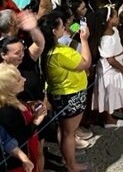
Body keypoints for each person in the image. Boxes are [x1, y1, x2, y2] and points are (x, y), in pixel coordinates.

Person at [40, 12, 91, 172]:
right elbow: (86, 63)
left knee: (64, 130)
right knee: (69, 132)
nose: (65, 28)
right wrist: (84, 40)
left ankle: (67, 158)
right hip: (70, 94)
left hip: (62, 93)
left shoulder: (51, 48)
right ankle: (71, 165)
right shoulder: (60, 52)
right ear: (54, 31)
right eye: (62, 26)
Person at [88, 5, 123, 128]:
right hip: (110, 72)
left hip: (119, 66)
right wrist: (122, 68)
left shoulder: (115, 31)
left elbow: (120, 47)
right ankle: (109, 119)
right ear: (109, 20)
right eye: (115, 16)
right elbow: (110, 59)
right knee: (110, 93)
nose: (118, 18)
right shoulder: (105, 39)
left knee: (122, 91)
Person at [0, 65, 42, 172]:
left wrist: (31, 105)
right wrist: (36, 121)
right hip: (17, 161)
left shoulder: (12, 97)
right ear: (8, 87)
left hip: (25, 154)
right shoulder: (6, 112)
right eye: (19, 79)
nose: (24, 79)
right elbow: (18, 139)